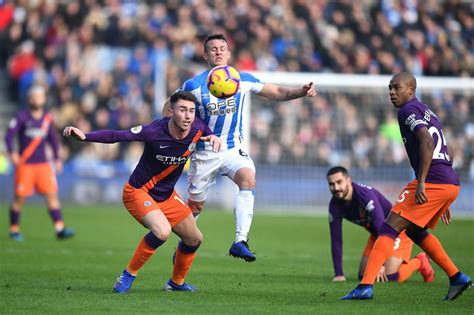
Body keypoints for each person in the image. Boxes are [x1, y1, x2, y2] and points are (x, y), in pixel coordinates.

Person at [168, 33, 317, 262]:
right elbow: (169, 108)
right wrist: (174, 131)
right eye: (213, 49)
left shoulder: (242, 79)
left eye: (222, 48)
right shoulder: (194, 86)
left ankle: (240, 241)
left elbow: (276, 92)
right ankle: (184, 245)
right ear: (205, 55)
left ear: (229, 53)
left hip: (232, 148)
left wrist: (300, 91)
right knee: (195, 207)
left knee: (248, 177)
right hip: (204, 153)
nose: (218, 52)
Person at [63, 91, 220, 292]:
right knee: (162, 231)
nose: (188, 116)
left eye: (191, 111)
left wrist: (213, 136)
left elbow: (205, 129)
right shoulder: (154, 131)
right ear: (171, 112)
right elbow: (117, 135)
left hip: (166, 196)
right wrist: (85, 137)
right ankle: (128, 274)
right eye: (183, 110)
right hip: (138, 192)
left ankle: (175, 283)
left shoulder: (196, 127)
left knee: (194, 238)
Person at [341, 72, 472, 301]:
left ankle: (365, 287)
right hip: (448, 181)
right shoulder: (427, 111)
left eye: (397, 87)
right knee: (414, 230)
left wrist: (422, 182)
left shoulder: (407, 111)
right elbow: (445, 148)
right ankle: (456, 277)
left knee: (389, 228)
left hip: (433, 181)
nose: (392, 92)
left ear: (411, 89)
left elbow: (428, 141)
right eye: (390, 88)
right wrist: (444, 197)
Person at [327, 166, 434, 283]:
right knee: (364, 277)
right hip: (377, 234)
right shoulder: (334, 206)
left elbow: (380, 225)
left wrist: (380, 264)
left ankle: (419, 261)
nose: (336, 188)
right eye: (331, 184)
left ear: (348, 181)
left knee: (388, 277)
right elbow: (336, 239)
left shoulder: (364, 196)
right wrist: (339, 274)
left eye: (339, 182)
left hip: (397, 231)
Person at [5, 85, 74, 241]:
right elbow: (9, 136)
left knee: (52, 195)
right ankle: (14, 229)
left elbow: (54, 140)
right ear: (30, 99)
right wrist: (12, 153)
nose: (37, 99)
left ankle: (59, 228)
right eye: (34, 96)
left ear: (44, 99)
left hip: (43, 164)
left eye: (40, 96)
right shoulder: (22, 117)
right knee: (19, 198)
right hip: (26, 164)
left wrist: (57, 159)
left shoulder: (47, 118)